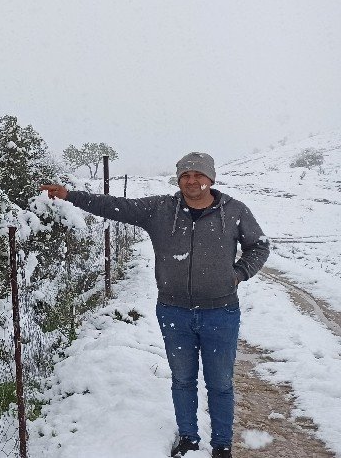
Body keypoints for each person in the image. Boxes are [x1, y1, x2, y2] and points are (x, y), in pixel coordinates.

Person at [40, 152, 270, 458]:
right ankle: (188, 438)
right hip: (174, 311)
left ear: (210, 179)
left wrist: (238, 274)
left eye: (198, 175)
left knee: (220, 383)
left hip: (221, 312)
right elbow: (113, 206)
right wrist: (71, 195)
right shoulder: (160, 209)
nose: (192, 180)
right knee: (183, 379)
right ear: (178, 180)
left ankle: (222, 445)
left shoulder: (234, 211)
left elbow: (259, 245)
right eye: (185, 175)